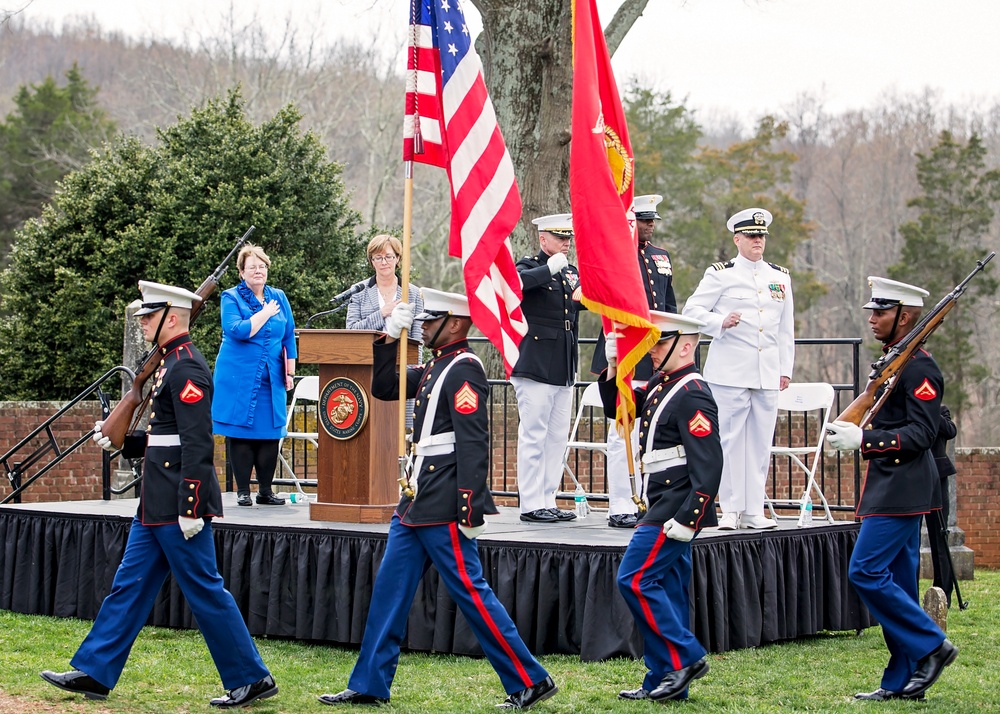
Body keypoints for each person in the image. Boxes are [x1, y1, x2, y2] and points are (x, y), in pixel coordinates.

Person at [41, 281, 277, 708]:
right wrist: (122, 443)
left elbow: (198, 443)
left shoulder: (186, 367)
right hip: (156, 501)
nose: (143, 322)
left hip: (176, 505)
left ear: (172, 318)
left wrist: (191, 505)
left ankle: (251, 677)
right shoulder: (170, 363)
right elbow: (162, 436)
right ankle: (95, 671)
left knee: (205, 589)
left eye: (150, 316)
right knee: (128, 586)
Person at [318, 289, 557, 710]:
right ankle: (370, 683)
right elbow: (386, 387)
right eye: (422, 320)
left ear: (457, 323)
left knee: (472, 592)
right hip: (415, 500)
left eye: (431, 321)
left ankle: (529, 679)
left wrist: (470, 503)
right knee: (389, 593)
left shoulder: (465, 369)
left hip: (445, 500)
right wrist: (389, 338)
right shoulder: (435, 366)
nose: (422, 326)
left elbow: (473, 441)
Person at [827, 276, 957, 701]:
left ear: (905, 318)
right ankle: (901, 681)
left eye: (880, 312)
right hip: (889, 484)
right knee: (897, 586)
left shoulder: (919, 367)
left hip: (905, 489)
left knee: (864, 571)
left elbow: (922, 432)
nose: (871, 318)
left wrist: (864, 440)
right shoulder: (892, 360)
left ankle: (932, 646)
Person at [598, 311, 721, 702]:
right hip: (661, 501)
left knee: (633, 579)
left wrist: (691, 517)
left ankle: (685, 657)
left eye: (662, 343)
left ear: (686, 345)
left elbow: (709, 463)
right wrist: (613, 368)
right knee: (666, 589)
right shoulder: (663, 385)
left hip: (675, 507)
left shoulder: (693, 392)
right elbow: (622, 410)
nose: (653, 350)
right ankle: (664, 680)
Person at [682, 207, 794, 530]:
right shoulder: (721, 274)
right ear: (737, 239)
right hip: (730, 370)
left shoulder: (780, 277)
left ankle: (753, 509)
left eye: (761, 236)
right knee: (729, 441)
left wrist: (785, 367)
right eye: (752, 236)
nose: (758, 241)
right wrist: (720, 321)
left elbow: (786, 329)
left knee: (760, 443)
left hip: (766, 370)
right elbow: (693, 310)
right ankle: (730, 508)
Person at [590, 194, 678, 528]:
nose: (650, 225)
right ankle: (621, 504)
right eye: (644, 220)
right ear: (630, 222)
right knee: (622, 434)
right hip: (625, 354)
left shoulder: (660, 255)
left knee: (651, 436)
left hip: (656, 354)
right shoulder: (616, 255)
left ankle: (646, 501)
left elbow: (668, 306)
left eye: (653, 220)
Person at [212, 244, 297, 507]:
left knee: (270, 433)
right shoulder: (230, 297)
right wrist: (264, 313)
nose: (258, 271)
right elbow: (237, 330)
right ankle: (242, 491)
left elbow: (288, 336)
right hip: (238, 377)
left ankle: (265, 490)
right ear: (241, 272)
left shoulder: (279, 296)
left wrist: (290, 372)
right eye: (252, 267)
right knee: (241, 434)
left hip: (271, 377)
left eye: (262, 266)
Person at [511, 213, 582, 523]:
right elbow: (516, 285)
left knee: (556, 438)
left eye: (568, 238)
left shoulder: (570, 271)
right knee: (533, 434)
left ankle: (547, 497)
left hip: (563, 363)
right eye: (560, 237)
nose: (566, 242)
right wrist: (547, 269)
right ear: (543, 239)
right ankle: (530, 502)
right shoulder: (529, 266)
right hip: (536, 361)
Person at [345, 234, 424, 342]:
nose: (383, 262)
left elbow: (418, 338)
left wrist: (415, 359)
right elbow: (351, 331)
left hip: (401, 357)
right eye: (378, 258)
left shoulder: (413, 293)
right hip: (367, 356)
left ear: (397, 258)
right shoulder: (359, 291)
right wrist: (381, 313)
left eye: (388, 257)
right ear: (372, 261)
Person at [926, 404, 957, 606]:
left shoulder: (940, 410)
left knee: (940, 534)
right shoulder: (907, 409)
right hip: (912, 476)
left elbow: (950, 430)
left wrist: (929, 408)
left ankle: (943, 589)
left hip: (937, 476)